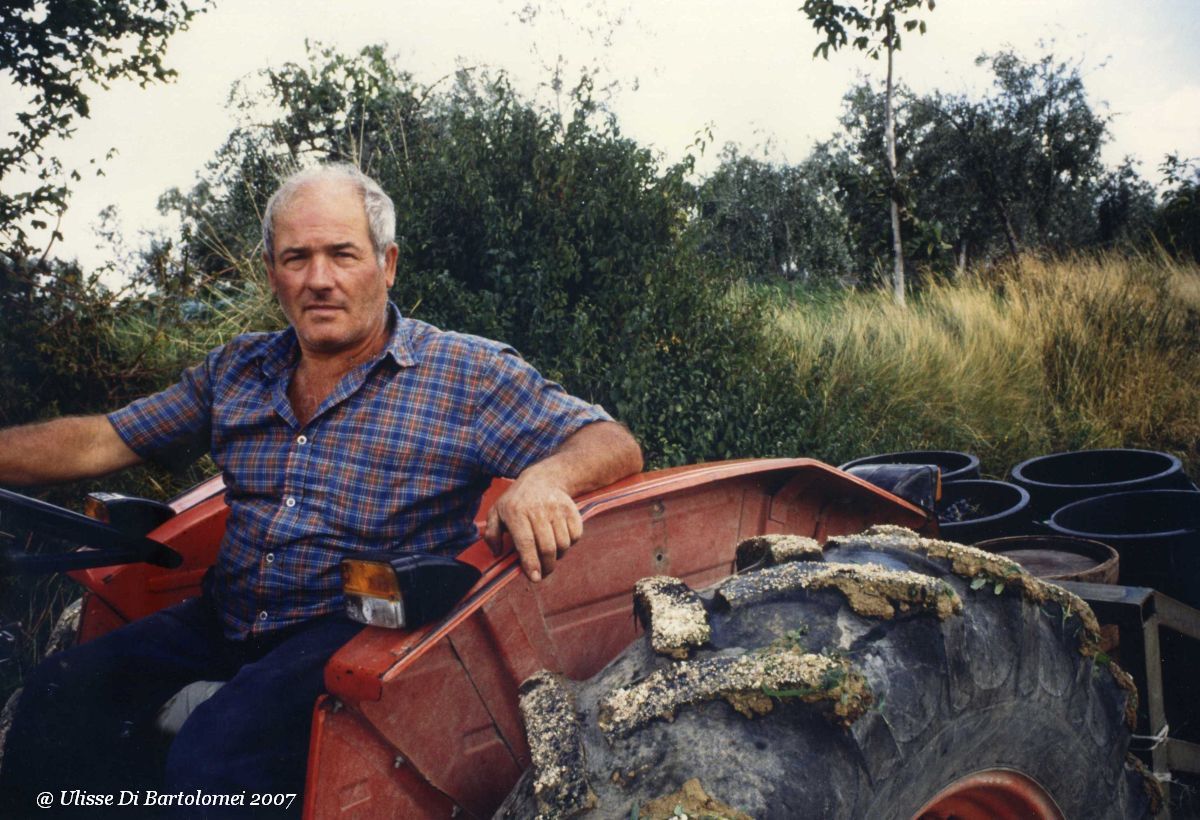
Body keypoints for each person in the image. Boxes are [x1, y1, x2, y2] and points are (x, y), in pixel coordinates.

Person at [0, 163, 643, 815]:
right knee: (59, 692)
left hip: (363, 621)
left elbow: (609, 441)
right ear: (272, 272)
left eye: (342, 254)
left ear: (386, 264)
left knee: (215, 759)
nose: (319, 280)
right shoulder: (238, 369)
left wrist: (546, 478)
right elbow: (101, 439)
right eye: (296, 258)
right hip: (230, 610)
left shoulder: (465, 374)